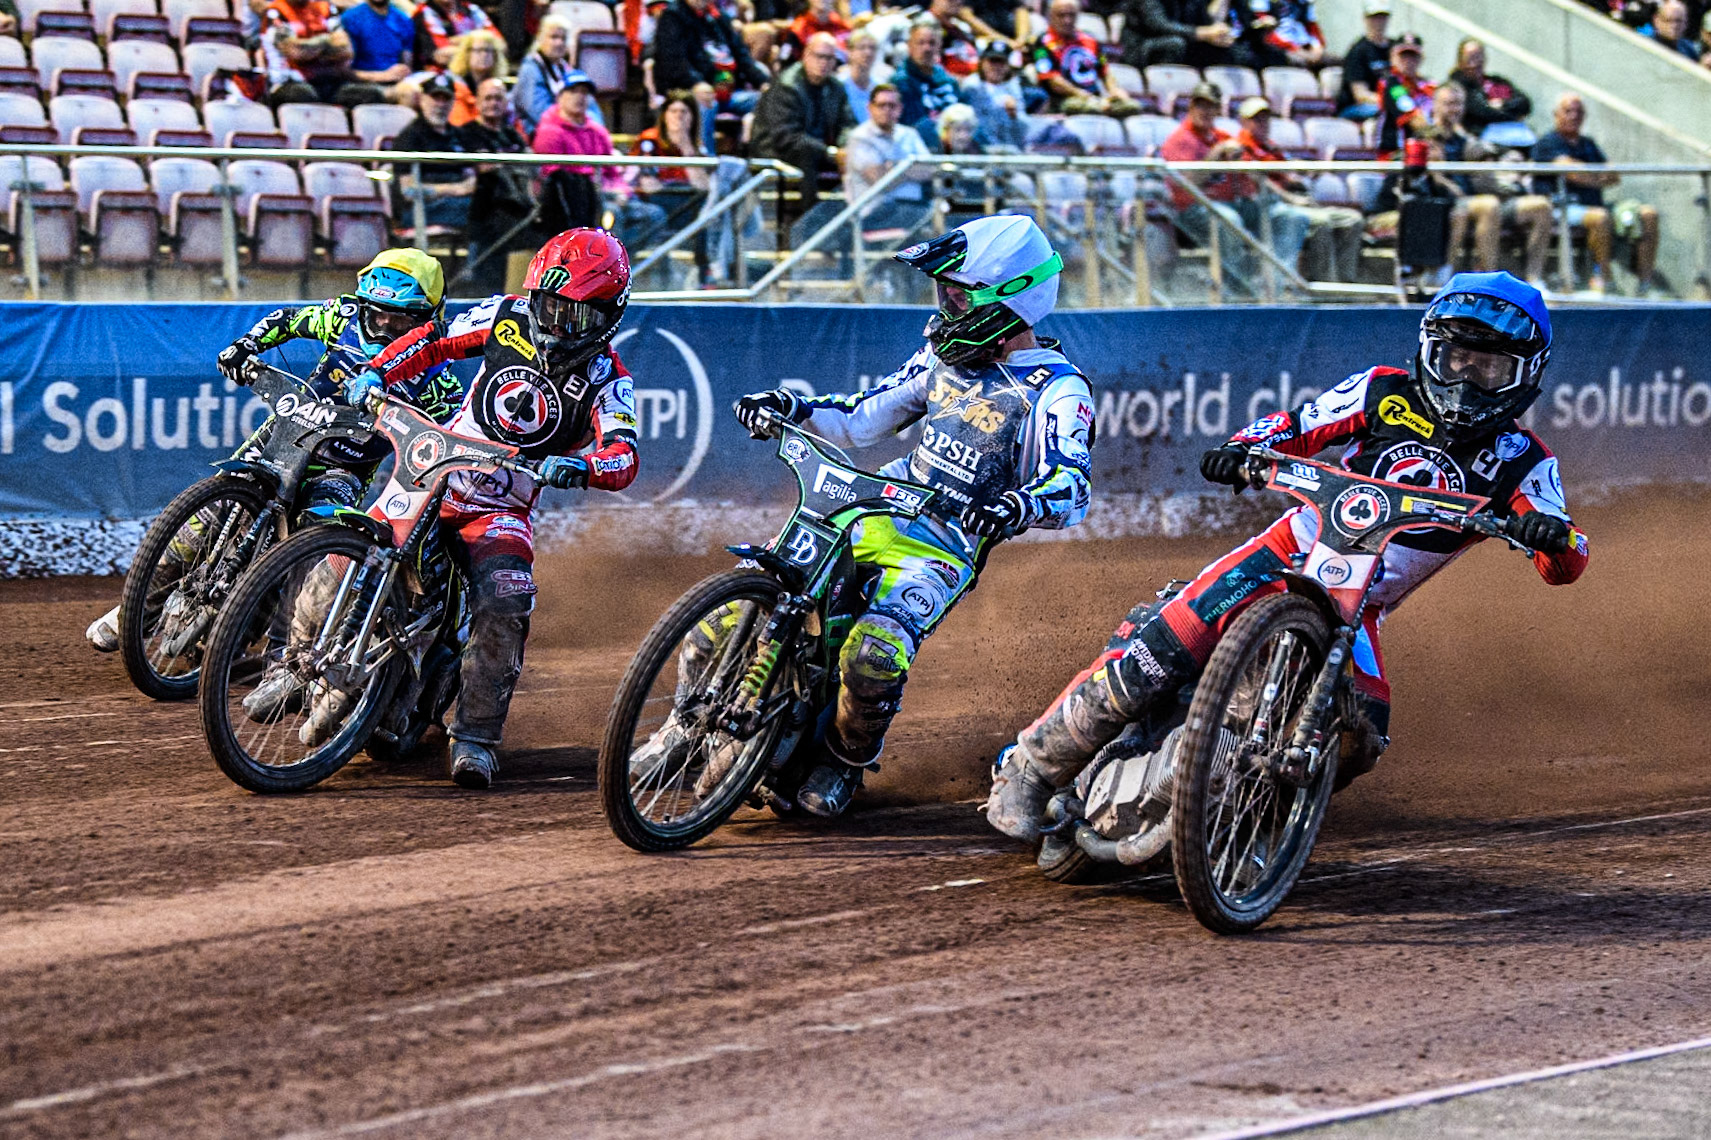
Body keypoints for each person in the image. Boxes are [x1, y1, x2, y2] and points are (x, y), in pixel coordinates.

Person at [987, 272, 1589, 842]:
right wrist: (1243, 448)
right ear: (1430, 350)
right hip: (1285, 551)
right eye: (1457, 359)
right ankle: (1029, 769)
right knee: (1159, 650)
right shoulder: (1383, 391)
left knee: (1363, 734)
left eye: (1488, 368)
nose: (1465, 379)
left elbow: (1567, 553)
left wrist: (1549, 537)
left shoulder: (1525, 461)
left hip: (1362, 605)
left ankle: (1256, 821)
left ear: (1524, 374)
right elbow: (1296, 426)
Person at [732, 215, 1095, 817]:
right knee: (747, 602)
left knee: (873, 655)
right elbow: (859, 419)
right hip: (872, 505)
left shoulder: (1058, 389)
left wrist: (1017, 505)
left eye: (959, 294)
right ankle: (678, 732)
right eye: (944, 293)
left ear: (1011, 298)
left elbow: (1073, 485)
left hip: (946, 541)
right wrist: (791, 406)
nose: (946, 306)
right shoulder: (938, 357)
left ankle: (844, 762)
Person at [350, 231, 642, 789]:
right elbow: (433, 340)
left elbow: (624, 456)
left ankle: (476, 738)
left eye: (573, 315)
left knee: (506, 598)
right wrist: (380, 371)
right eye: (549, 307)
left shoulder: (610, 380)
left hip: (499, 505)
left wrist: (584, 467)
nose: (556, 325)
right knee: (347, 552)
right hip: (433, 472)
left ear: (608, 316)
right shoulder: (506, 316)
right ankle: (294, 662)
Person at [86, 251, 460, 653]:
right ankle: (136, 612)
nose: (385, 324)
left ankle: (286, 652)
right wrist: (245, 347)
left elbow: (445, 441)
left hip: (343, 470)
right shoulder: (343, 316)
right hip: (283, 434)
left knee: (311, 546)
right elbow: (287, 320)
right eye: (377, 313)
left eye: (401, 317)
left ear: (428, 317)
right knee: (207, 518)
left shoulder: (440, 380)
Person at [1532, 92, 1660, 295]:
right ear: (1556, 114)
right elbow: (1572, 173)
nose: (1574, 116)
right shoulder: (1548, 142)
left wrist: (1584, 173)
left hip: (1597, 204)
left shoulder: (1588, 144)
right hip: (1563, 209)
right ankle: (1604, 279)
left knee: (1648, 214)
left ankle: (1646, 284)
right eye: (1568, 111)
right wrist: (1593, 174)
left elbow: (1614, 175)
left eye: (1579, 112)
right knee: (1600, 218)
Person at [1434, 82, 1552, 287]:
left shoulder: (1466, 137)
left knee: (1541, 206)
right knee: (1489, 205)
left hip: (1480, 199)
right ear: (1435, 106)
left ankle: (1534, 280)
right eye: (1449, 104)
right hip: (1450, 204)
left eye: (1459, 104)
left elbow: (1485, 158)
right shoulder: (1429, 136)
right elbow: (1435, 176)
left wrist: (1509, 163)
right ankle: (1491, 281)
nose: (1455, 109)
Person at [534, 73, 669, 250]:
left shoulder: (597, 131)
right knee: (612, 215)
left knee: (655, 215)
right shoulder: (549, 132)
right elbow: (556, 177)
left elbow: (612, 172)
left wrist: (622, 191)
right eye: (573, 91)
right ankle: (603, 266)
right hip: (574, 200)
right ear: (560, 96)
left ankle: (624, 262)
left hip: (606, 194)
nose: (579, 97)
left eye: (584, 92)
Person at [1234, 95, 1361, 283]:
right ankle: (1326, 285)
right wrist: (1290, 198)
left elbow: (1287, 166)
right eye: (1256, 119)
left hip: (1298, 200)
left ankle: (1347, 282)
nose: (1263, 123)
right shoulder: (1240, 147)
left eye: (1265, 118)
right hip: (1271, 207)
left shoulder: (1270, 146)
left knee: (1353, 220)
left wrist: (1301, 168)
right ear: (1244, 122)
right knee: (1322, 222)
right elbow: (1258, 180)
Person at [1159, 81, 1258, 288]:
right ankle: (1234, 290)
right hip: (1190, 211)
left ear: (1218, 110)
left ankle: (1280, 281)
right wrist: (1215, 154)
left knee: (1280, 214)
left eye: (1211, 106)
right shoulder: (1179, 140)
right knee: (1229, 220)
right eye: (1200, 105)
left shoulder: (1221, 136)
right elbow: (1185, 185)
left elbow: (1252, 174)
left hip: (1228, 203)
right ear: (1191, 107)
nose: (1205, 111)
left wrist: (1240, 161)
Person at [751, 31, 857, 210]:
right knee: (806, 157)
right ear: (806, 55)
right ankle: (810, 221)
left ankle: (864, 216)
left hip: (818, 150)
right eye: (819, 56)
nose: (824, 63)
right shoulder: (787, 86)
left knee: (860, 153)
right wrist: (830, 152)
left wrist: (846, 146)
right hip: (778, 152)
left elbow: (847, 124)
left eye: (830, 58)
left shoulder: (835, 87)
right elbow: (786, 137)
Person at [459, 78, 538, 293]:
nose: (493, 103)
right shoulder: (467, 133)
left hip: (518, 203)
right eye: (488, 98)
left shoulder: (512, 134)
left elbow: (530, 165)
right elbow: (482, 168)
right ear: (477, 102)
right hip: (484, 207)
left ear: (506, 103)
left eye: (499, 98)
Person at [652, 0, 771, 116]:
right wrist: (696, 84)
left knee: (768, 101)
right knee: (706, 103)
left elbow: (742, 56)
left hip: (730, 93)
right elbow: (673, 61)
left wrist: (763, 82)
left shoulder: (720, 17)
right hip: (690, 92)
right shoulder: (672, 16)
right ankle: (703, 137)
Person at [843, 83, 936, 230]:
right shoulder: (859, 138)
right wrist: (909, 169)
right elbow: (880, 180)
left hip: (911, 208)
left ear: (900, 108)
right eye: (881, 105)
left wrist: (893, 168)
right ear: (870, 108)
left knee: (941, 217)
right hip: (874, 213)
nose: (887, 110)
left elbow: (930, 170)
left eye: (892, 105)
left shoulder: (909, 134)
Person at [392, 72, 477, 229]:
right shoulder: (409, 137)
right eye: (435, 98)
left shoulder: (461, 135)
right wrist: (454, 189)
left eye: (446, 99)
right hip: (421, 210)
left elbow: (471, 179)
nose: (440, 104)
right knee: (482, 213)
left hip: (459, 204)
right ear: (422, 99)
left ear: (453, 103)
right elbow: (408, 191)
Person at [1032, 0, 1140, 116]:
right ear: (1051, 16)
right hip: (1064, 99)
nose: (1067, 20)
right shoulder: (1042, 42)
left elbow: (1104, 71)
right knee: (1092, 108)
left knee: (1133, 106)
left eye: (1071, 15)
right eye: (1061, 15)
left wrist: (1115, 91)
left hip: (1094, 98)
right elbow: (1052, 80)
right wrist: (1082, 95)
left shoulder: (1090, 40)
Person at [260, 0, 362, 106]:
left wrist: (310, 48)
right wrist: (327, 41)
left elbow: (345, 49)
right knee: (305, 95)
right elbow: (296, 52)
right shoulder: (275, 12)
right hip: (288, 83)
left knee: (369, 94)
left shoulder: (325, 7)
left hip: (328, 80)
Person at [1118, 0, 1248, 70]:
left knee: (1232, 51)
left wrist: (1219, 34)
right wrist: (1204, 33)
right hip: (1141, 49)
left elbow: (1207, 23)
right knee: (1175, 44)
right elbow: (1159, 26)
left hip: (1181, 44)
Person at [893, 19, 964, 148]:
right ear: (909, 46)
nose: (927, 48)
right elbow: (913, 126)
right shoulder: (901, 82)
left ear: (940, 46)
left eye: (932, 43)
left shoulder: (949, 81)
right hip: (920, 149)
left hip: (956, 147)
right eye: (920, 43)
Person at [1447, 38, 1532, 132]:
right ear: (1460, 62)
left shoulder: (1496, 82)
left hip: (1511, 135)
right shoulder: (1458, 87)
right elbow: (1484, 112)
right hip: (1481, 138)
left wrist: (1503, 103)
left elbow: (1524, 103)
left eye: (1479, 57)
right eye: (1471, 58)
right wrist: (1513, 115)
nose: (1476, 63)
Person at [512, 16, 575, 136]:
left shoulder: (567, 70)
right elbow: (538, 113)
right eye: (554, 37)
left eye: (563, 38)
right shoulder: (530, 70)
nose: (559, 43)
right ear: (540, 39)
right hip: (539, 133)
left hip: (566, 130)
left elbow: (589, 107)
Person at [962, 40, 1030, 150]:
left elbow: (1024, 127)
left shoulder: (1012, 87)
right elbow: (977, 124)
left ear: (1008, 66)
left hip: (1010, 147)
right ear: (982, 62)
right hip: (980, 148)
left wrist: (1014, 115)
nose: (997, 67)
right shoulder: (972, 86)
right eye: (993, 61)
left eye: (1001, 62)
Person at [1376, 32, 1434, 159]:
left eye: (1413, 56)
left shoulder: (1430, 85)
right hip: (1395, 154)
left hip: (1426, 150)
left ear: (1421, 58)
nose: (1408, 61)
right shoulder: (1390, 84)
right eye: (1403, 56)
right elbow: (1414, 120)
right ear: (1393, 57)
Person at [339, 0, 415, 94]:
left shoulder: (404, 20)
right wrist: (382, 76)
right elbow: (342, 71)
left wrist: (402, 72)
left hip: (395, 83)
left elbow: (407, 64)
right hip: (361, 84)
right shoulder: (351, 18)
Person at [1337, 0, 1392, 121]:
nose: (1379, 22)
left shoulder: (1394, 48)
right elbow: (1360, 95)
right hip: (1355, 108)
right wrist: (1390, 101)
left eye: (1382, 17)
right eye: (1374, 17)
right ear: (1365, 19)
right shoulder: (1359, 50)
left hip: (1387, 101)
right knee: (1388, 112)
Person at [448, 30, 508, 127]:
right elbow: (460, 124)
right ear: (466, 54)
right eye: (478, 50)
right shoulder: (455, 86)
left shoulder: (497, 86)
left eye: (488, 50)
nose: (484, 55)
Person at [411, 0, 493, 70]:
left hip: (477, 70)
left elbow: (499, 43)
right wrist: (480, 42)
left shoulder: (471, 8)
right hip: (439, 73)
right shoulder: (425, 12)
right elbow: (443, 54)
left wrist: (459, 40)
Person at [1247, 0, 1322, 69]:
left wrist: (1317, 48)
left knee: (1329, 62)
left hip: (1303, 46)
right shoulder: (1264, 3)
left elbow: (1312, 27)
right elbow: (1267, 35)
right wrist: (1296, 50)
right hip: (1279, 48)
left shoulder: (1304, 3)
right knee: (1300, 63)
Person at [842, 28, 883, 125]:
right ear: (850, 52)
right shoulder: (840, 85)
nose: (868, 53)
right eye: (862, 48)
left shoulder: (880, 86)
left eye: (872, 48)